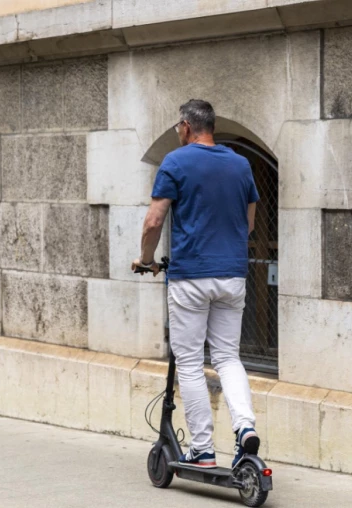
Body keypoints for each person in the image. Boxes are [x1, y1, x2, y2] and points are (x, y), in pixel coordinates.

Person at [132, 99, 260, 469]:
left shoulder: (176, 161)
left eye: (177, 128)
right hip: (232, 275)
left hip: (191, 276)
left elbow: (153, 222)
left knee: (188, 362)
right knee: (227, 357)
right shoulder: (241, 164)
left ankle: (202, 449)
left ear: (187, 126)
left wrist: (145, 260)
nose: (177, 133)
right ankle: (245, 426)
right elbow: (248, 225)